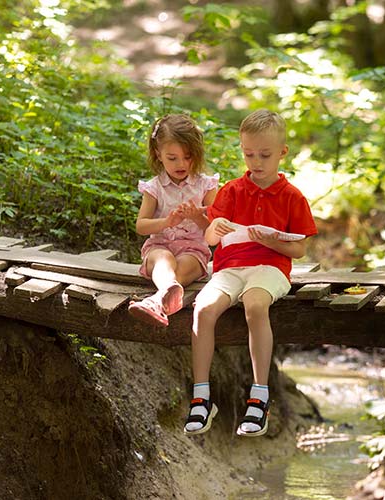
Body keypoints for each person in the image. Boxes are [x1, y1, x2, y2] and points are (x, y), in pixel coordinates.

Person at [183, 109, 317, 436]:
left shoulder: (292, 197)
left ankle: (259, 398)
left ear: (282, 153)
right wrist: (216, 225)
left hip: (270, 269)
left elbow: (299, 250)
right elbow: (211, 239)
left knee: (255, 305)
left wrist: (272, 240)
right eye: (248, 154)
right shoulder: (231, 191)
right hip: (229, 267)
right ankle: (201, 397)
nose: (255, 161)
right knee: (202, 309)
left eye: (264, 155)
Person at [129, 114, 219, 327]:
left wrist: (198, 217)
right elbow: (141, 226)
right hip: (159, 248)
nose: (181, 164)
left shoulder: (206, 185)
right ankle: (165, 294)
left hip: (193, 252)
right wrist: (166, 222)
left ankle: (156, 301)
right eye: (172, 158)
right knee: (163, 258)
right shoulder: (154, 188)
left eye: (188, 157)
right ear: (158, 154)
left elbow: (215, 233)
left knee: (185, 264)